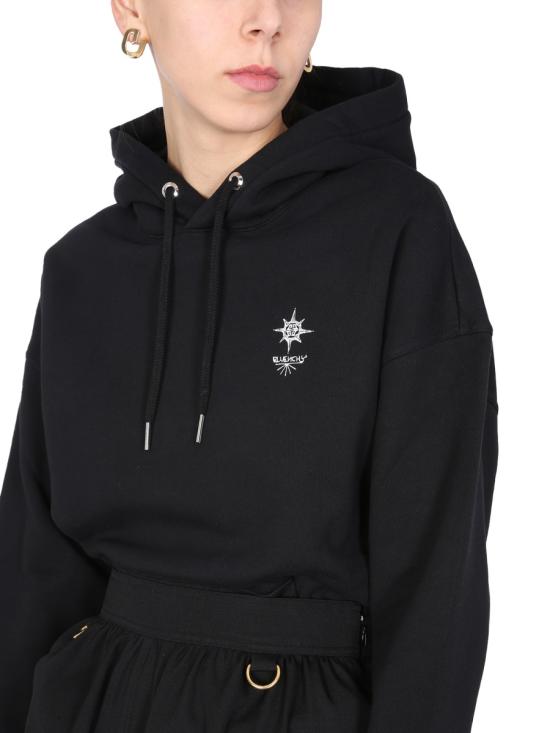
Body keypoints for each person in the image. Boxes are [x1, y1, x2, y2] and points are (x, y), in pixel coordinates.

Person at [0, 0, 499, 731]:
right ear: (132, 8)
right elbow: (31, 573)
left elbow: (435, 588)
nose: (267, 18)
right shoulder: (82, 268)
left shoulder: (398, 232)